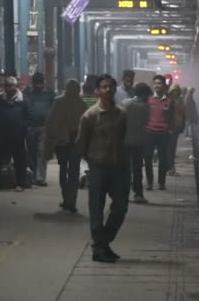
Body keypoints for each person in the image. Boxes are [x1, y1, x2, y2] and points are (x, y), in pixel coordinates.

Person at [77, 74, 128, 263]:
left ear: (115, 89)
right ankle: (100, 249)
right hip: (98, 167)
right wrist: (88, 165)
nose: (108, 90)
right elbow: (81, 144)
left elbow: (124, 138)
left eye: (111, 87)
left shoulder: (122, 114)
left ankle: (102, 243)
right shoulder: (89, 116)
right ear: (97, 90)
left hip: (118, 168)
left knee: (121, 207)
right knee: (96, 210)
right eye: (104, 87)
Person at [45, 80, 87, 213]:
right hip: (75, 142)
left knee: (64, 169)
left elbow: (50, 122)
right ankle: (71, 201)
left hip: (62, 142)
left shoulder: (58, 102)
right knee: (73, 172)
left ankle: (66, 199)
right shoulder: (82, 104)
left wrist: (51, 139)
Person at [0, 76, 31, 192]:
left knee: (20, 160)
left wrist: (23, 128)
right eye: (6, 85)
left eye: (10, 85)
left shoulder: (24, 99)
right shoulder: (0, 100)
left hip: (18, 135)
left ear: (15, 86)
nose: (8, 88)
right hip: (3, 135)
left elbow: (28, 116)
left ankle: (21, 183)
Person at [121, 83, 152, 204]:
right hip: (139, 141)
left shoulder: (125, 103)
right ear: (144, 94)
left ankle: (123, 194)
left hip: (124, 141)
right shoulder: (145, 107)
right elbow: (146, 123)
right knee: (137, 169)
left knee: (125, 169)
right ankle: (138, 194)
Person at [24, 72, 55, 186]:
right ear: (33, 83)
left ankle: (40, 178)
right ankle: (32, 176)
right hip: (30, 127)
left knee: (42, 152)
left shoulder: (50, 94)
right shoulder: (27, 93)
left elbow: (54, 109)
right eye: (36, 84)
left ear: (43, 83)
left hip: (44, 127)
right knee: (31, 151)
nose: (38, 86)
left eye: (40, 83)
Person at [144, 75, 172, 191]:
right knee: (147, 158)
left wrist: (170, 129)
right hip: (149, 133)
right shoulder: (149, 99)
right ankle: (149, 182)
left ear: (164, 85)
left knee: (163, 159)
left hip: (163, 134)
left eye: (159, 83)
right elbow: (144, 115)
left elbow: (172, 116)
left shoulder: (169, 101)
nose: (157, 85)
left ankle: (161, 183)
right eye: (155, 83)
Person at [167, 84, 185, 176]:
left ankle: (170, 167)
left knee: (172, 148)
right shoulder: (168, 100)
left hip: (177, 126)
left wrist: (182, 126)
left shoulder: (181, 100)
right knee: (170, 148)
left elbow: (183, 114)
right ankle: (171, 167)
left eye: (177, 90)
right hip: (170, 127)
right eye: (174, 90)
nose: (175, 92)